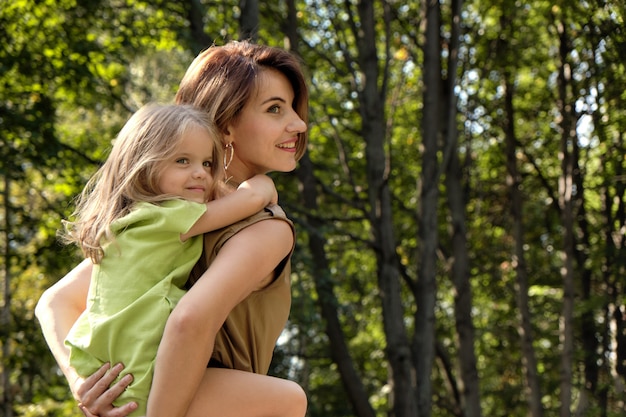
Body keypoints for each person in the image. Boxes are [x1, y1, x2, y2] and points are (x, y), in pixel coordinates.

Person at [35, 40, 310, 417]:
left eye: (293, 108)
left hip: (139, 399)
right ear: (227, 124)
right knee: (292, 400)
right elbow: (189, 320)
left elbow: (55, 301)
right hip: (194, 404)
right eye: (276, 109)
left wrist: (85, 385)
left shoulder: (162, 214)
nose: (299, 124)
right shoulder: (264, 228)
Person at [57, 102, 280, 417]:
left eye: (206, 163)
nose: (200, 173)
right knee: (288, 400)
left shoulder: (126, 224)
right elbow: (252, 199)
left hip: (117, 379)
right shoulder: (165, 217)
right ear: (143, 165)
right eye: (182, 160)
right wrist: (264, 182)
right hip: (145, 382)